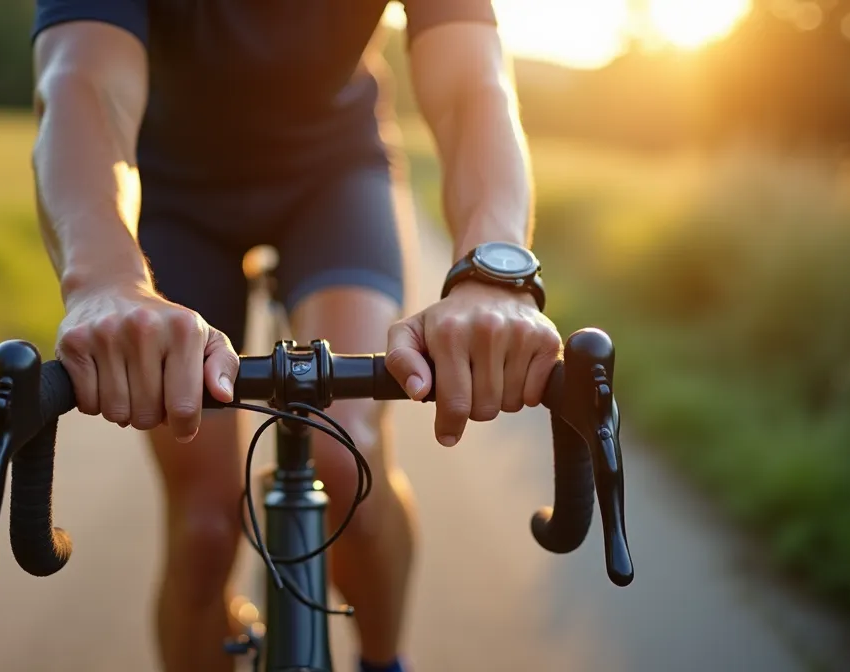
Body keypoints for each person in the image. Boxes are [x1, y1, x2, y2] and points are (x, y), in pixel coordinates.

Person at [30, 1, 561, 670]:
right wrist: (105, 280)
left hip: (331, 174)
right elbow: (82, 82)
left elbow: (472, 84)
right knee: (203, 527)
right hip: (171, 188)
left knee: (348, 462)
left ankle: (381, 660)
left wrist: (491, 271)